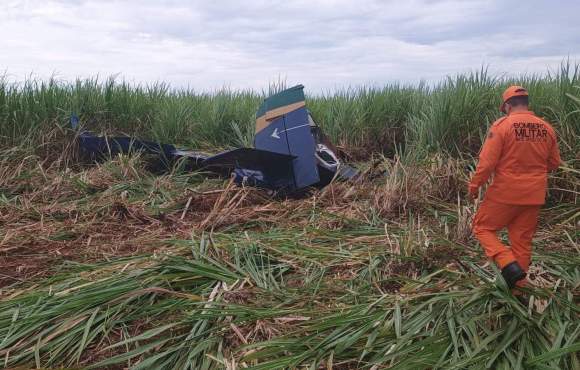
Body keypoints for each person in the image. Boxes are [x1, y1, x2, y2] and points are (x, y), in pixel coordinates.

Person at [469, 86, 561, 293]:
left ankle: (507, 263)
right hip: (534, 195)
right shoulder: (546, 127)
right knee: (522, 243)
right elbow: (555, 163)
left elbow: (486, 163)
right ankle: (518, 289)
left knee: (482, 228)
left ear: (507, 106)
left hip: (505, 193)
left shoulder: (503, 125)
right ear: (527, 103)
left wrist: (474, 186)